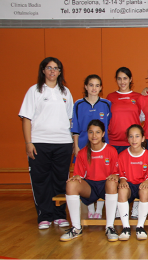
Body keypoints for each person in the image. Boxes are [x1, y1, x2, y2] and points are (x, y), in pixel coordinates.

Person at [19, 57, 73, 230]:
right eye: (49, 68)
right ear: (43, 70)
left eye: (56, 68)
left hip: (63, 143)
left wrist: (72, 142)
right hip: (39, 143)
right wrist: (29, 142)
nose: (52, 71)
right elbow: (26, 119)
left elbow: (71, 120)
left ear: (59, 72)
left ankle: (59, 215)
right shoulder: (34, 91)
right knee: (40, 180)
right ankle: (44, 215)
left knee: (60, 180)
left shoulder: (65, 93)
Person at [60, 120, 119, 242]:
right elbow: (79, 175)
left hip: (106, 186)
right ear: (87, 134)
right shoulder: (82, 153)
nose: (94, 135)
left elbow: (116, 173)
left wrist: (115, 176)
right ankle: (76, 228)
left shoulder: (111, 150)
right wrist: (76, 178)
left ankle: (110, 227)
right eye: (91, 132)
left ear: (103, 134)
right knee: (71, 184)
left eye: (97, 132)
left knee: (112, 182)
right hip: (90, 187)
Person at [71, 74, 112, 219]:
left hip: (101, 147)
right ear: (86, 87)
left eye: (97, 85)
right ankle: (90, 207)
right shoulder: (78, 104)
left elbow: (109, 125)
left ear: (101, 88)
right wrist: (76, 146)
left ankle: (99, 209)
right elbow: (75, 127)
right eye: (91, 85)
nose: (94, 88)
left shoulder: (107, 104)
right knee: (86, 175)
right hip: (83, 145)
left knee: (101, 174)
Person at [106, 67, 142, 219]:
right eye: (119, 78)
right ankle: (117, 207)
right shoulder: (110, 97)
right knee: (116, 176)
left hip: (133, 143)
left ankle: (136, 207)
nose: (122, 82)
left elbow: (143, 118)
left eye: (125, 78)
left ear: (130, 80)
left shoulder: (138, 97)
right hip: (115, 142)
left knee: (137, 175)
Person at [116, 124, 148, 241]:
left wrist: (147, 182)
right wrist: (122, 179)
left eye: (137, 136)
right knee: (122, 190)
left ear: (143, 138)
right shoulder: (122, 155)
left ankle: (140, 226)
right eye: (131, 136)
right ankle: (126, 227)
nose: (134, 139)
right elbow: (120, 173)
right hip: (129, 185)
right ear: (127, 139)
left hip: (142, 184)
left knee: (145, 190)